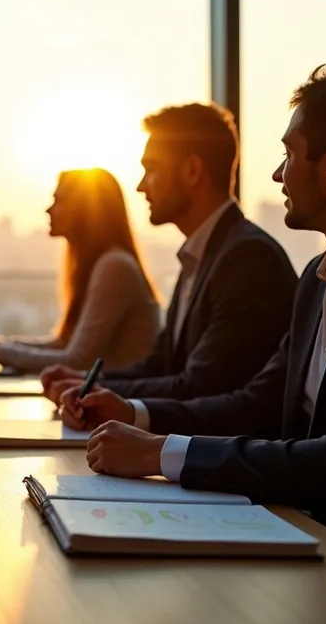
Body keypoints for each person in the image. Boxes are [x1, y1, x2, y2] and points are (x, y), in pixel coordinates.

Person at [61, 62, 326, 571]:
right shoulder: (319, 276)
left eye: (289, 153)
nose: (276, 174)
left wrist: (161, 453)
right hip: (303, 536)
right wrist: (137, 417)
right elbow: (260, 404)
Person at [39, 103, 296, 405]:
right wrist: (86, 383)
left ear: (191, 171)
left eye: (151, 169)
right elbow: (159, 366)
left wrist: (98, 393)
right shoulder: (204, 254)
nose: (140, 186)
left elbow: (201, 386)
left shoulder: (248, 258)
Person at [0, 168, 160, 373]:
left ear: (84, 208)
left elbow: (76, 360)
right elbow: (64, 344)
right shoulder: (104, 264)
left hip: (119, 400)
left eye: (59, 200)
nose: (48, 210)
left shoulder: (115, 267)